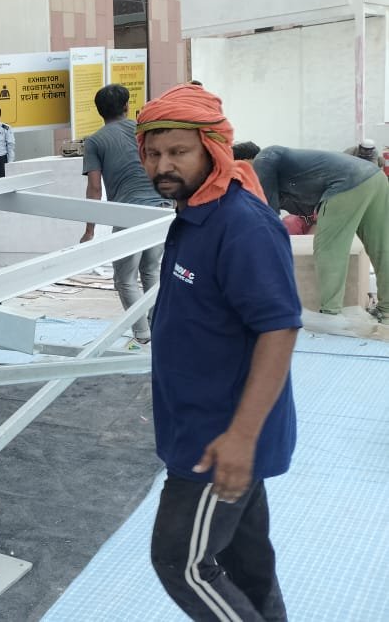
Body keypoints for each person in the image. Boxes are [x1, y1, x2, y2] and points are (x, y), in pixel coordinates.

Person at [137, 84, 301, 621]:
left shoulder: (242, 224)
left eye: (178, 151)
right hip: (202, 426)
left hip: (219, 438)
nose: (163, 165)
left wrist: (240, 437)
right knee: (247, 565)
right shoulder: (195, 213)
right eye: (153, 152)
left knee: (180, 561)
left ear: (212, 149)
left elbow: (279, 328)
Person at [240, 143, 389, 322]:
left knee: (329, 250)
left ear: (243, 161)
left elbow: (267, 214)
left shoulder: (263, 160)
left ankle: (331, 315)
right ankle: (386, 311)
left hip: (348, 183)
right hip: (376, 177)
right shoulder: (282, 166)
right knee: (382, 247)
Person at [80, 84, 173, 349]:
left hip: (128, 213)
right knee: (151, 270)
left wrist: (89, 230)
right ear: (126, 106)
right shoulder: (144, 131)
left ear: (99, 111)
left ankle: (143, 335)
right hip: (161, 209)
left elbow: (95, 188)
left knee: (125, 278)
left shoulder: (95, 141)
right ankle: (159, 329)